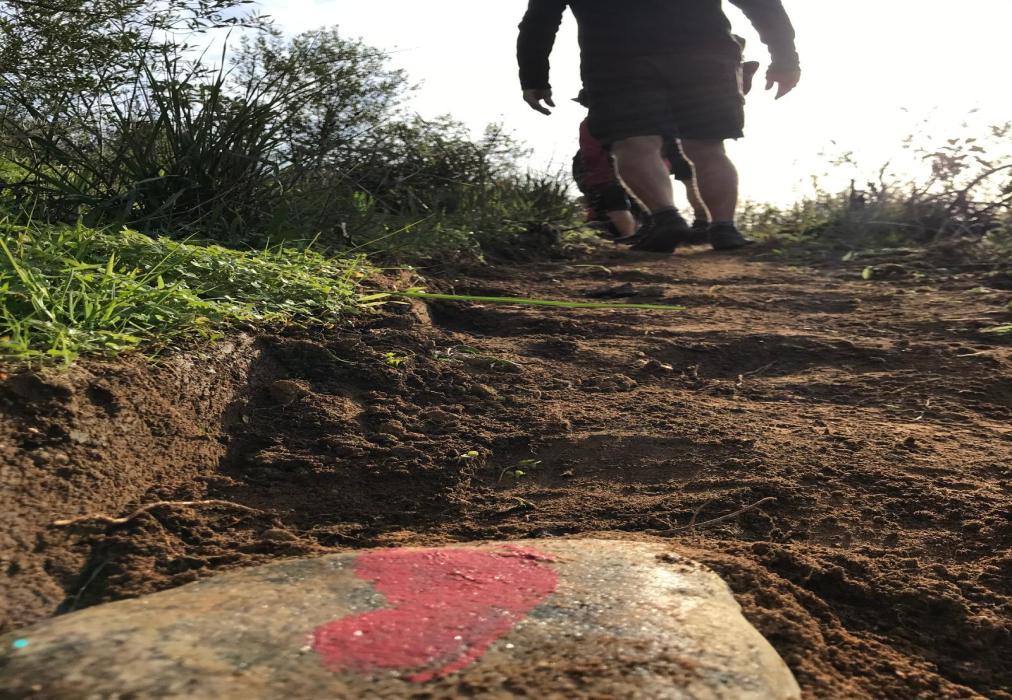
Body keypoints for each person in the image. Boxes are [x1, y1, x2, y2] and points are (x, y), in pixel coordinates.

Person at [518, 0, 801, 254]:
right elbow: (762, 4)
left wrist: (534, 76)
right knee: (708, 146)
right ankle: (724, 228)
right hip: (703, 56)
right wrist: (785, 58)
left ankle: (666, 217)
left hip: (617, 59)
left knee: (632, 142)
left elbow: (540, 19)